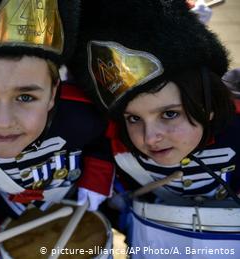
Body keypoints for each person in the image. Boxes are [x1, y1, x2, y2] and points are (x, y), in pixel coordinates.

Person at [0, 0, 114, 258]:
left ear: (53, 94)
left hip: (75, 226)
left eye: (25, 97)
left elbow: (99, 143)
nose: (3, 122)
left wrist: (95, 179)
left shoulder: (81, 117)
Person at [69, 0, 240, 258]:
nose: (150, 139)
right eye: (133, 118)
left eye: (170, 114)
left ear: (209, 104)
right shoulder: (114, 144)